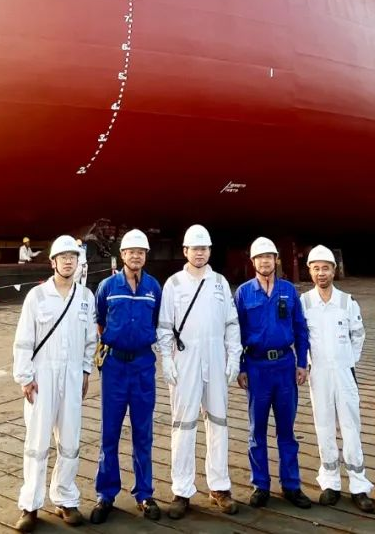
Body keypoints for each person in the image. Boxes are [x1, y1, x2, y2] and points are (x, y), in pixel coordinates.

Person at [11, 234, 98, 531]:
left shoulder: (86, 297)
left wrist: (85, 371)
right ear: (53, 262)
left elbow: (90, 340)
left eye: (73, 257)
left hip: (72, 376)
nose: (68, 261)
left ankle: (65, 498)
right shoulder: (36, 296)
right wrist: (25, 377)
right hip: (42, 377)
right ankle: (30, 505)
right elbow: (23, 340)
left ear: (78, 261)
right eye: (63, 257)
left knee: (70, 441)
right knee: (37, 443)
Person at [157, 224, 242, 519]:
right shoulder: (173, 284)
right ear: (185, 251)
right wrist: (166, 359)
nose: (200, 253)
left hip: (216, 359)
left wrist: (234, 356)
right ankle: (182, 490)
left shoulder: (219, 283)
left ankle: (219, 487)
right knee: (183, 425)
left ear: (209, 251)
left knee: (219, 422)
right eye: (195, 248)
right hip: (185, 360)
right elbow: (164, 327)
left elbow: (231, 323)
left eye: (204, 248)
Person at [90, 229, 162, 524]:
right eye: (131, 251)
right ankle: (106, 494)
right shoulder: (107, 287)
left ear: (146, 256)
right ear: (122, 255)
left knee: (143, 432)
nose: (136, 256)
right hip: (115, 367)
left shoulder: (153, 287)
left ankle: (144, 493)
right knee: (110, 432)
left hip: (143, 365)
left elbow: (156, 320)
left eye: (140, 252)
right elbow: (100, 322)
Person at [235, 237, 312, 509]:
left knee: (286, 430)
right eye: (260, 257)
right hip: (256, 367)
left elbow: (300, 329)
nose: (265, 261)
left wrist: (302, 362)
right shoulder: (243, 293)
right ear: (253, 261)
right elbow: (235, 334)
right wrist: (241, 367)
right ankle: (261, 485)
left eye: (269, 256)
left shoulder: (288, 291)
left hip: (284, 366)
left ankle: (291, 485)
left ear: (276, 260)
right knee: (256, 431)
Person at [301, 245, 375, 514]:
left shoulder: (347, 301)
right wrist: (307, 363)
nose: (321, 273)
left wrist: (348, 361)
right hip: (318, 373)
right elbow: (300, 337)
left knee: (350, 426)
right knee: (323, 425)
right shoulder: (303, 302)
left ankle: (359, 485)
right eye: (316, 268)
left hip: (344, 372)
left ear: (334, 270)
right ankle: (330, 482)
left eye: (326, 268)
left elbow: (359, 334)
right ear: (310, 271)